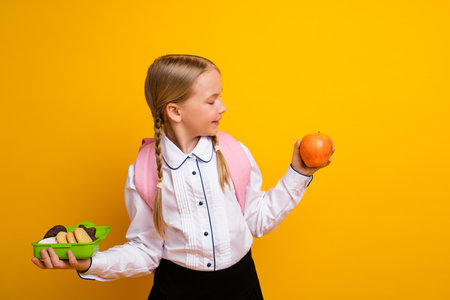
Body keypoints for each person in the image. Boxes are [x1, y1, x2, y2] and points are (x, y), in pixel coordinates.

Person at [31, 54, 335, 299]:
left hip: (241, 287)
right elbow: (145, 252)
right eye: (211, 100)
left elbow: (257, 221)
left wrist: (299, 173)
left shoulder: (234, 152)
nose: (223, 107)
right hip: (175, 290)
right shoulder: (143, 171)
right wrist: (90, 262)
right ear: (176, 112)